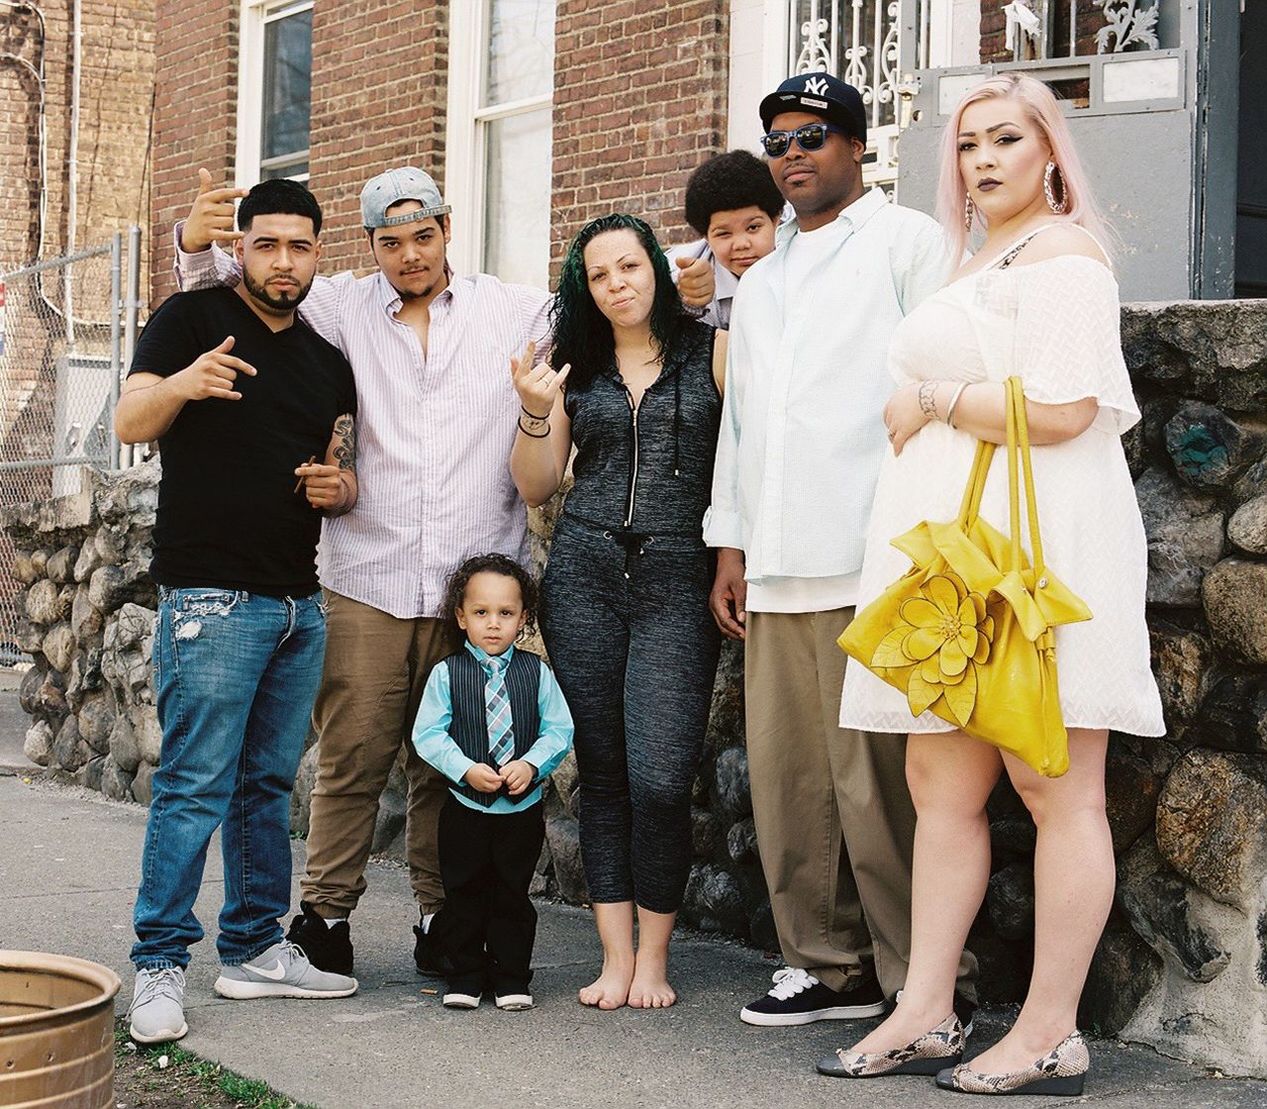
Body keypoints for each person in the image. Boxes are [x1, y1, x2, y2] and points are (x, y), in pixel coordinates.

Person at [172, 168, 715, 978]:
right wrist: (192, 244)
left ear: (448, 229)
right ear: (369, 248)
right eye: (390, 242)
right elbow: (244, 292)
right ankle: (325, 918)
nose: (408, 254)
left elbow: (606, 282)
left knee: (450, 763)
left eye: (422, 236)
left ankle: (441, 917)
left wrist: (686, 276)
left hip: (476, 587)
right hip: (369, 571)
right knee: (352, 758)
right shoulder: (341, 303)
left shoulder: (513, 308)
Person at [825, 73, 1164, 1096]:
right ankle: (926, 1008)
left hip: (1033, 552)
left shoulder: (1064, 256)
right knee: (941, 786)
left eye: (1006, 137)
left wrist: (926, 395)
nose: (980, 158)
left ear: (1049, 148)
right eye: (967, 141)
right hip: (956, 557)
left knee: (1056, 787)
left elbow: (1064, 409)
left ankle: (1051, 1028)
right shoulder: (979, 255)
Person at [705, 72, 978, 1028]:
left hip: (876, 555)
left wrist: (919, 545)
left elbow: (946, 386)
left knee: (881, 788)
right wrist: (729, 543)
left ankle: (921, 981)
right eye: (777, 139)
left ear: (857, 145)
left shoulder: (911, 245)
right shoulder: (763, 275)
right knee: (788, 783)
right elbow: (744, 422)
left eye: (812, 135)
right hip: (777, 562)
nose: (792, 153)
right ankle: (824, 967)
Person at [117, 179, 360, 1044]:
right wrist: (184, 382)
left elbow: (341, 466)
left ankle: (255, 946)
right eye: (267, 244)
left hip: (299, 603)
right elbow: (127, 420)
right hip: (210, 598)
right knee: (193, 786)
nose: (283, 261)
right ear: (242, 246)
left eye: (299, 247)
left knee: (264, 788)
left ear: (317, 254)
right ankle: (158, 965)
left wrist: (339, 488)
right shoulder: (191, 319)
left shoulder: (328, 357)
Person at [510, 213, 728, 1010]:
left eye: (630, 266)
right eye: (600, 275)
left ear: (657, 271)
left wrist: (730, 558)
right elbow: (536, 485)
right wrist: (535, 409)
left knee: (662, 778)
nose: (618, 284)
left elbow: (738, 465)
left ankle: (655, 957)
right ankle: (613, 955)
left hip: (678, 575)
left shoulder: (713, 351)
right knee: (603, 773)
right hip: (586, 573)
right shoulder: (573, 365)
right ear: (586, 289)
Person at [411, 554, 573, 1011]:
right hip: (465, 808)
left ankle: (511, 976)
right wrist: (464, 768)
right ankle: (464, 974)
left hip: (519, 811)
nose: (494, 624)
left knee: (511, 894)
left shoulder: (536, 673)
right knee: (463, 891)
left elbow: (558, 729)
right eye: (481, 613)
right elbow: (428, 733)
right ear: (461, 617)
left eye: (506, 613)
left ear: (523, 618)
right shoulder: (447, 674)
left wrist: (533, 765)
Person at [665, 149, 785, 329]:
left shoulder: (804, 259)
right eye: (723, 234)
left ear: (776, 221)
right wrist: (691, 305)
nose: (741, 245)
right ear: (705, 236)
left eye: (753, 228)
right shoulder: (680, 277)